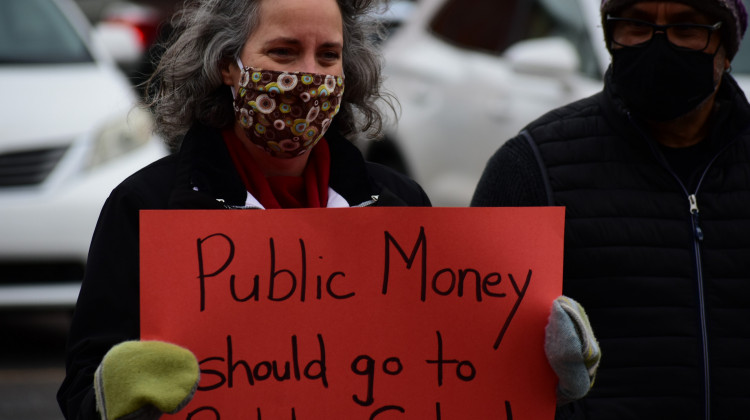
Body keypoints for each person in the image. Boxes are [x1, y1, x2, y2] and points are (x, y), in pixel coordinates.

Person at [57, 0, 597, 418]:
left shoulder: (399, 205)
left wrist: (539, 374)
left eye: (328, 55)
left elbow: (447, 373)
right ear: (227, 65)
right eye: (284, 53)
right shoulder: (146, 209)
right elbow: (83, 389)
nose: (308, 76)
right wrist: (113, 393)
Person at [472, 0, 750, 418]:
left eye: (687, 28)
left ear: (726, 51)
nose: (660, 45)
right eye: (637, 24)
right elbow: (474, 352)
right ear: (611, 38)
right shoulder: (532, 167)